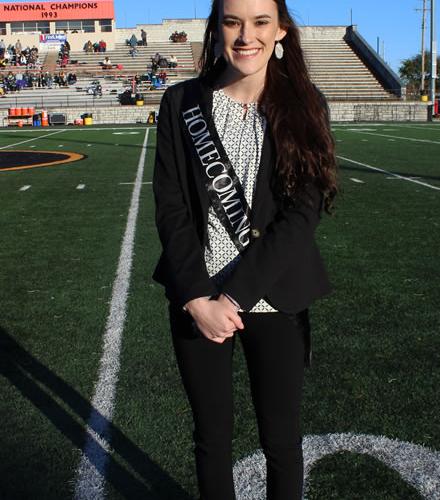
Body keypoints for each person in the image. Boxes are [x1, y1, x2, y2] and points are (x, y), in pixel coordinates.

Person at [152, 0, 337, 498]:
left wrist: (232, 300)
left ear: (280, 32)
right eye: (232, 22)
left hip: (273, 296)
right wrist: (196, 298)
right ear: (217, 30)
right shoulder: (181, 103)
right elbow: (170, 210)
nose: (245, 36)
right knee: (211, 439)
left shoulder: (305, 104)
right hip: (198, 299)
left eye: (259, 22)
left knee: (281, 442)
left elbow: (301, 218)